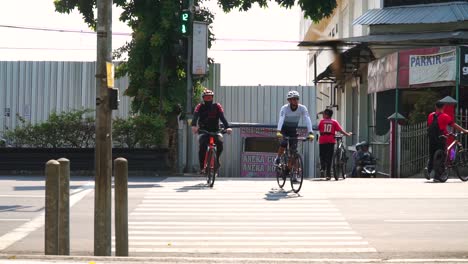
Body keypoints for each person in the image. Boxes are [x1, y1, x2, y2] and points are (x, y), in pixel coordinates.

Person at [191, 88, 232, 173]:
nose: (208, 99)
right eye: (206, 97)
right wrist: (194, 126)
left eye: (210, 97)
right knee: (202, 146)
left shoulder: (217, 106)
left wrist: (227, 127)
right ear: (203, 98)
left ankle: (217, 160)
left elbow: (222, 118)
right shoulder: (200, 106)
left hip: (216, 130)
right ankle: (202, 167)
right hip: (203, 130)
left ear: (212, 98)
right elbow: (195, 117)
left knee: (220, 143)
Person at [426, 101, 468, 181]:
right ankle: (437, 176)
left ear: (435, 106)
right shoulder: (444, 116)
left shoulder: (430, 115)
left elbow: (429, 126)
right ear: (443, 107)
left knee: (432, 155)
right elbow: (453, 125)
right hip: (441, 138)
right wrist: (464, 130)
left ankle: (428, 170)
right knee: (442, 156)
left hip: (431, 139)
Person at [274, 90, 315, 167]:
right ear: (289, 100)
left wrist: (311, 132)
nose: (295, 100)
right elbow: (281, 119)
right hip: (284, 129)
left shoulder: (302, 108)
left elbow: (307, 119)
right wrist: (278, 131)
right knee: (284, 143)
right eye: (293, 99)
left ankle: (292, 172)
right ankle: (278, 157)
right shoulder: (284, 108)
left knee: (294, 152)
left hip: (293, 130)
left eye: (297, 98)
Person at [318, 108, 352, 180]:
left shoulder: (322, 122)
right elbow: (340, 130)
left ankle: (322, 169)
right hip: (331, 140)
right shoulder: (334, 122)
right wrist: (347, 134)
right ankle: (328, 174)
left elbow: (318, 128)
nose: (323, 115)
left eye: (323, 114)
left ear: (326, 115)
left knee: (322, 155)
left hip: (322, 140)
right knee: (329, 157)